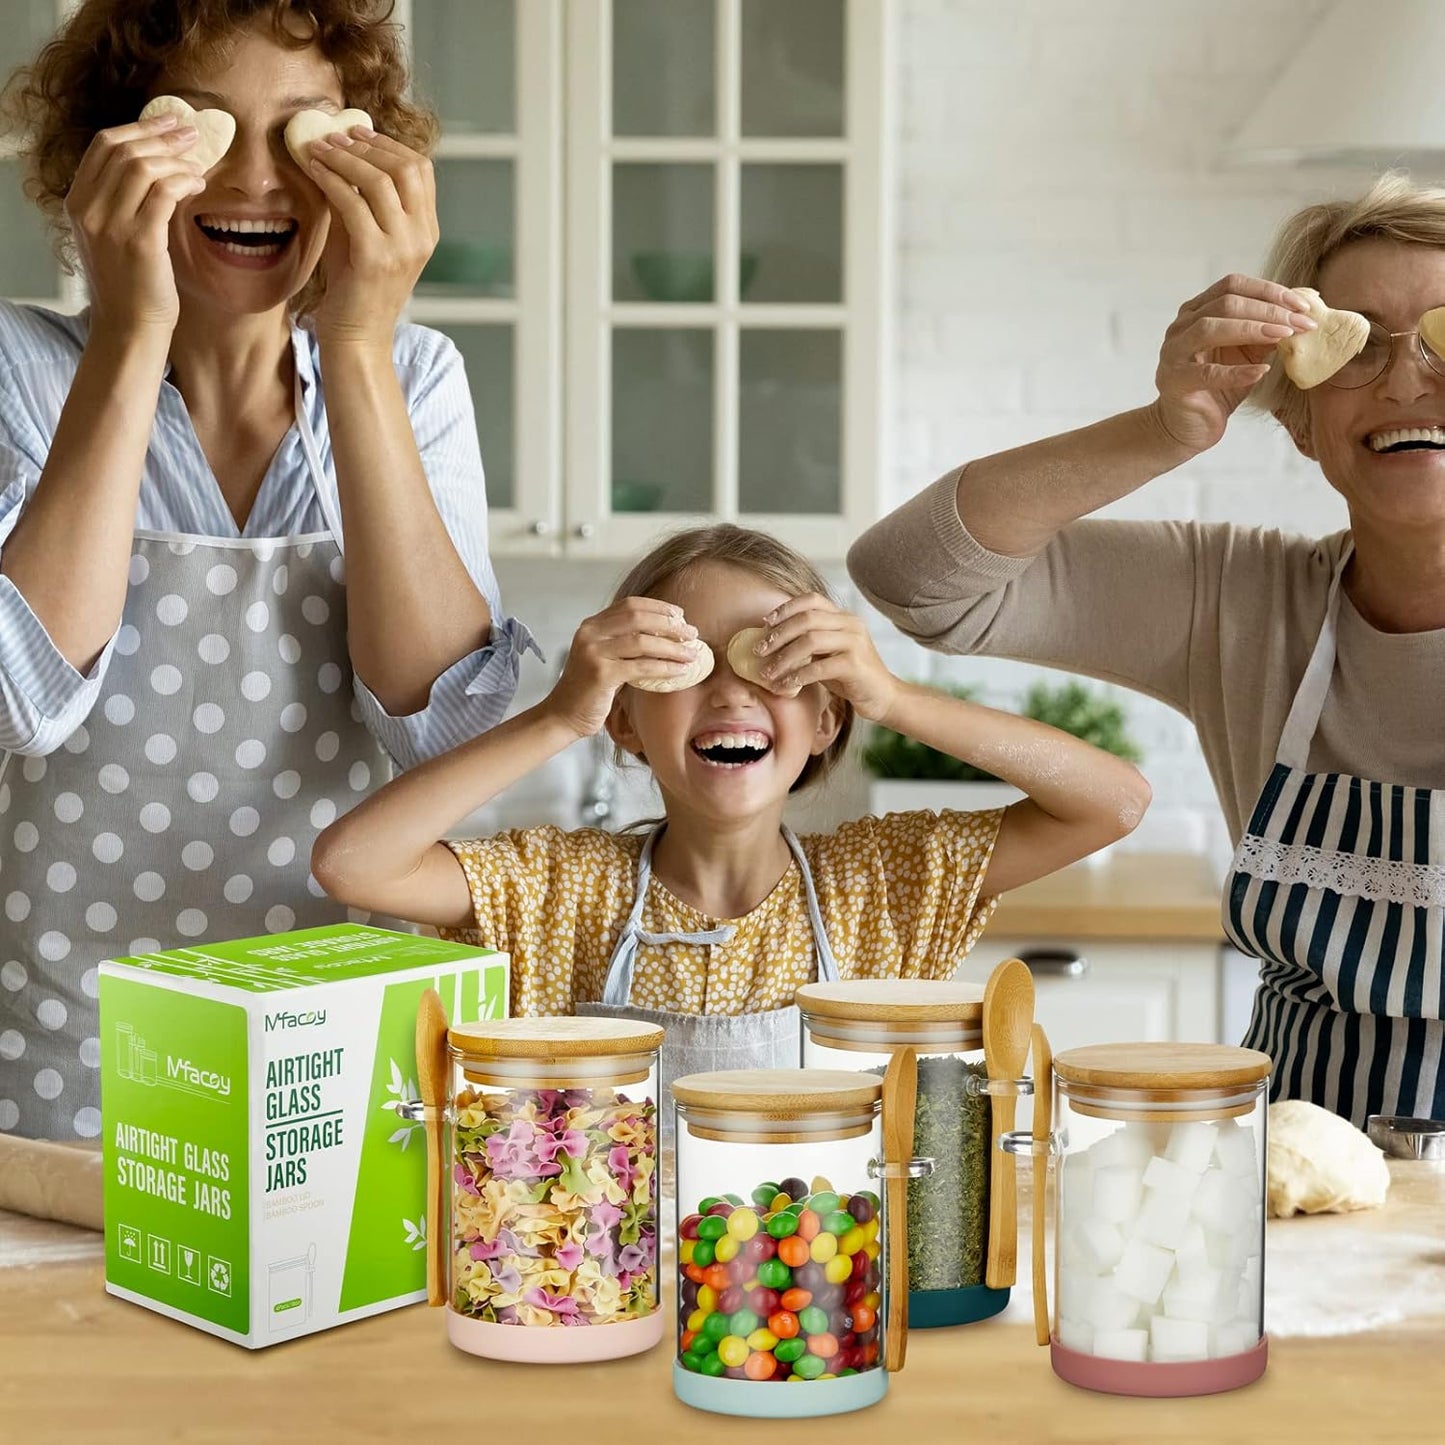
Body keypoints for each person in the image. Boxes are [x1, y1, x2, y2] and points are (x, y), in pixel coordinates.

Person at [0, 0, 535, 1141]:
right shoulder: (20, 371)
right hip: (61, 1057)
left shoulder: (414, 376)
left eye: (299, 134)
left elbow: (437, 732)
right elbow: (22, 702)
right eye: (197, 125)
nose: (253, 179)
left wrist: (356, 343)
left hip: (336, 1056)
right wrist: (130, 333)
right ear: (105, 153)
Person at [847, 172, 1445, 1129]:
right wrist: (1165, 429)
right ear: (1299, 418)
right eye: (1359, 345)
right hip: (1303, 1170)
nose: (1408, 377)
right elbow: (913, 578)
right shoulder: (1237, 600)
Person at [312, 524, 1150, 1106]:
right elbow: (354, 864)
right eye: (684, 664)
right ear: (627, 720)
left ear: (826, 719)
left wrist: (892, 696)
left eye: (773, 662)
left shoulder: (886, 884)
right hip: (602, 1291)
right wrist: (557, 715)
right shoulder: (556, 890)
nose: (729, 691)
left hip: (822, 1302)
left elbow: (1114, 801)